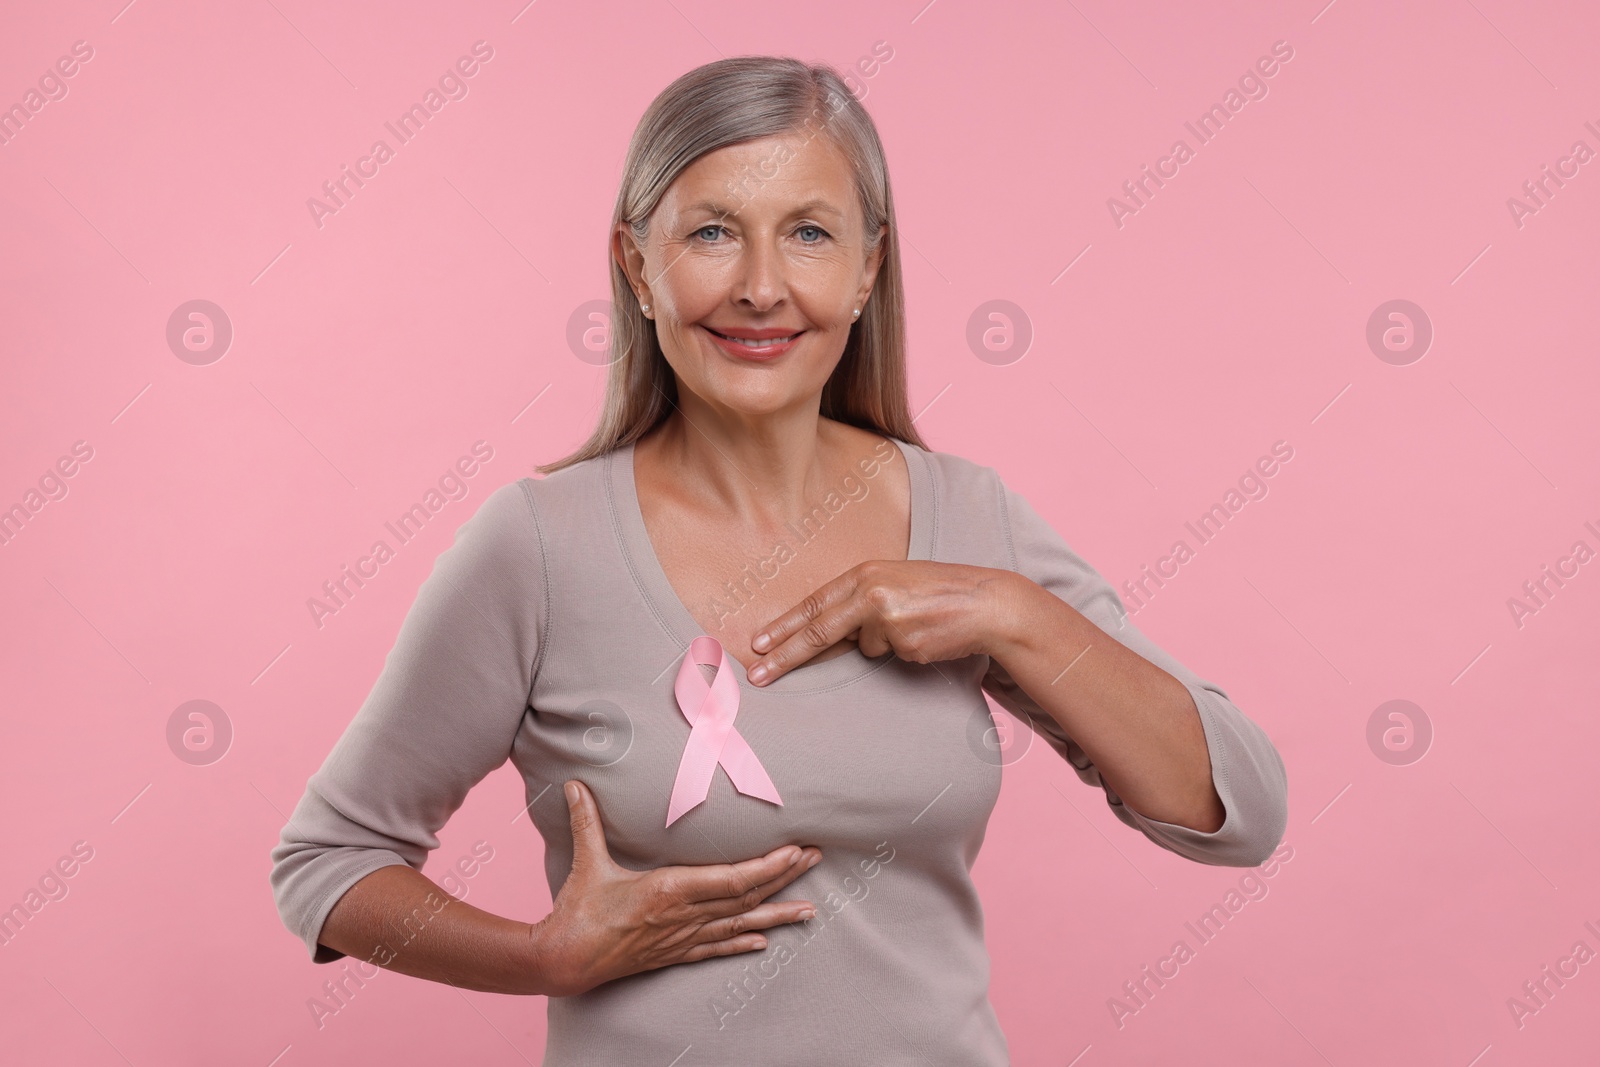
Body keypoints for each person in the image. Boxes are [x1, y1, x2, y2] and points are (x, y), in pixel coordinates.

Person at [269, 55, 1288, 1064]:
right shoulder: (537, 546)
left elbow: (1238, 809)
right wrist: (543, 954)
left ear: (867, 268)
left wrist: (1017, 614)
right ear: (636, 263)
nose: (761, 287)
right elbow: (328, 862)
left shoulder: (969, 519)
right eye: (711, 232)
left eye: (807, 232)